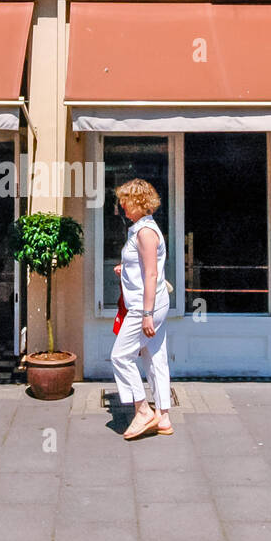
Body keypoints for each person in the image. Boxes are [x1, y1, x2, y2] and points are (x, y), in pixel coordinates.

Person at [111, 178, 172, 440]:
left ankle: (142, 409)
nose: (122, 205)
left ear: (138, 202)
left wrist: (146, 314)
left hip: (144, 306)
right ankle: (164, 416)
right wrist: (125, 269)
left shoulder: (145, 232)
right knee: (154, 356)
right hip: (152, 302)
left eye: (125, 200)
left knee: (121, 356)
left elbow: (151, 273)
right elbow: (143, 268)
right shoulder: (142, 229)